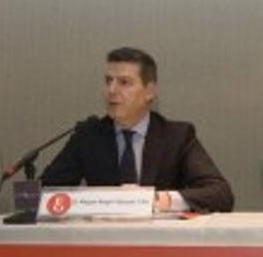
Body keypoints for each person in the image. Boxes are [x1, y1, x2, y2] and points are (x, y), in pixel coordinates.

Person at [40, 46, 234, 213]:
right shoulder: (89, 136)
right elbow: (42, 193)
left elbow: (220, 194)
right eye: (108, 81)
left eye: (124, 82)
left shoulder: (176, 136)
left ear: (150, 91)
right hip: (103, 240)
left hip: (160, 241)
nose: (111, 90)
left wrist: (159, 200)